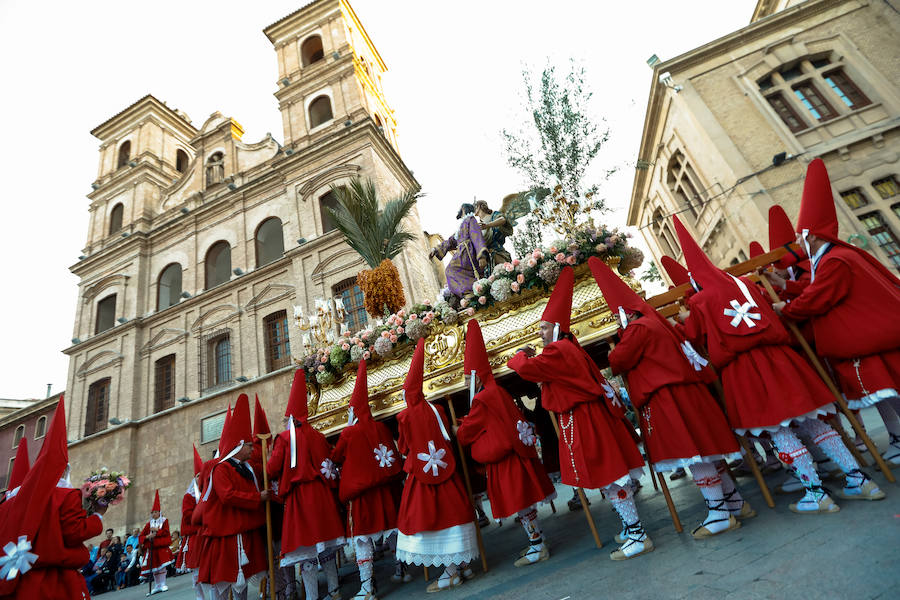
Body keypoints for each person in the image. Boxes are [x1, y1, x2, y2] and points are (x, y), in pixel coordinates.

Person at [671, 214, 884, 513]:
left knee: (780, 432)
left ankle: (817, 495)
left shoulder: (698, 302)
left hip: (745, 370)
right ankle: (860, 480)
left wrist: (683, 321)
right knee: (814, 423)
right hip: (781, 360)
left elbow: (692, 337)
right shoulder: (745, 284)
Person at [588, 256, 750, 538]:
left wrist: (615, 345)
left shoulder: (638, 329)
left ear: (627, 313)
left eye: (617, 316)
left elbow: (618, 360)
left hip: (669, 396)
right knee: (707, 450)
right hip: (687, 393)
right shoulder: (655, 323)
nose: (616, 321)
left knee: (696, 454)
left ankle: (719, 512)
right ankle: (735, 502)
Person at [507, 266, 652, 560]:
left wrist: (520, 355)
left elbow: (525, 368)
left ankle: (637, 533)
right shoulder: (566, 347)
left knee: (612, 478)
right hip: (587, 416)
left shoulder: (558, 349)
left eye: (544, 327)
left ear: (558, 328)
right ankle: (630, 527)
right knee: (612, 476)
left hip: (586, 419)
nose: (540, 332)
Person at [775, 158, 900, 469]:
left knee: (888, 392)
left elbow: (817, 298)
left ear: (814, 235)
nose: (800, 243)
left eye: (802, 236)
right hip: (869, 343)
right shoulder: (832, 258)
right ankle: (898, 438)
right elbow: (818, 289)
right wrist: (787, 290)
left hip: (872, 341)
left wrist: (785, 309)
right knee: (881, 394)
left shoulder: (834, 260)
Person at [456, 319, 556, 566]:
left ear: (476, 378)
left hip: (505, 461)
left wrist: (458, 427)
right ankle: (538, 541)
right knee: (525, 504)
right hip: (516, 455)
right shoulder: (497, 391)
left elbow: (465, 435)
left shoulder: (482, 399)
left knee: (522, 505)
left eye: (468, 380)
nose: (466, 385)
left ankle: (538, 545)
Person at [0, 397, 109, 600]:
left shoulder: (7, 505)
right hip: (56, 582)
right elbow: (73, 531)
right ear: (64, 469)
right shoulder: (65, 495)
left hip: (20, 583)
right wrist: (98, 515)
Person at [394, 338, 480, 592]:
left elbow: (403, 447)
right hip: (447, 470)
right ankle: (464, 565)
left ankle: (450, 573)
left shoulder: (404, 415)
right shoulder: (437, 408)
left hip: (422, 476)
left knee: (430, 522)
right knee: (453, 514)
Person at [332, 360, 405, 599]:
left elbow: (336, 455)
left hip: (361, 496)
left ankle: (367, 587)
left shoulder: (349, 432)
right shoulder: (382, 428)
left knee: (363, 540)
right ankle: (401, 570)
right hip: (385, 491)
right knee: (392, 531)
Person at [268, 371, 344, 600]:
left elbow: (272, 469)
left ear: (290, 418)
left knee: (307, 552)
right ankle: (334, 590)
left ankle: (312, 597)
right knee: (326, 549)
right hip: (321, 497)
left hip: (300, 499)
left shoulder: (284, 439)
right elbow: (328, 465)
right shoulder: (318, 436)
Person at [201, 394, 270, 600]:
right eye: (249, 445)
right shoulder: (222, 469)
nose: (252, 448)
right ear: (239, 446)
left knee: (243, 582)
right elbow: (227, 496)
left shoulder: (245, 467)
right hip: (227, 535)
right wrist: (258, 498)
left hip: (243, 531)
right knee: (225, 582)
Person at [429, 202, 489, 298]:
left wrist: (481, 255)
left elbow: (476, 235)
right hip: (461, 254)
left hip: (469, 253)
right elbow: (451, 241)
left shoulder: (471, 220)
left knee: (451, 270)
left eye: (460, 209)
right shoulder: (461, 226)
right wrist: (436, 249)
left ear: (464, 209)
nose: (459, 211)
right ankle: (468, 292)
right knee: (450, 271)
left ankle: (470, 291)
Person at [178, 445, 204, 599]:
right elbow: (188, 514)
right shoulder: (189, 496)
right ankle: (199, 596)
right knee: (196, 569)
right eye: (198, 476)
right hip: (194, 536)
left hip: (206, 533)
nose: (200, 478)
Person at [139, 489, 175, 594]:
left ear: (159, 512)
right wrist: (147, 537)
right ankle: (157, 585)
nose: (154, 514)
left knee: (162, 567)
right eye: (152, 512)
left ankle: (163, 583)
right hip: (152, 549)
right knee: (154, 568)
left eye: (156, 512)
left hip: (161, 547)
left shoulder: (164, 521)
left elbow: (166, 532)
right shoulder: (148, 524)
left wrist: (157, 531)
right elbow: (141, 535)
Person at [473, 199, 514, 268]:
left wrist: (487, 225)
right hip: (485, 257)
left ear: (479, 206)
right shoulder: (477, 226)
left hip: (497, 251)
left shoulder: (493, 215)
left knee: (505, 270)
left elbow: (502, 220)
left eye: (475, 206)